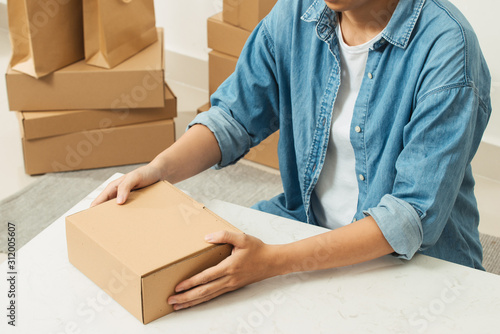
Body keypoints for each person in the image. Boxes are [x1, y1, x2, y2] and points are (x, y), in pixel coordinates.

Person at [91, 0, 491, 311]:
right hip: (306, 222)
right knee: (194, 289)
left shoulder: (447, 46)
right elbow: (234, 116)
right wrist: (159, 170)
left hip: (414, 258)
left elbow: (407, 217)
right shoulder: (297, 12)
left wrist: (273, 262)